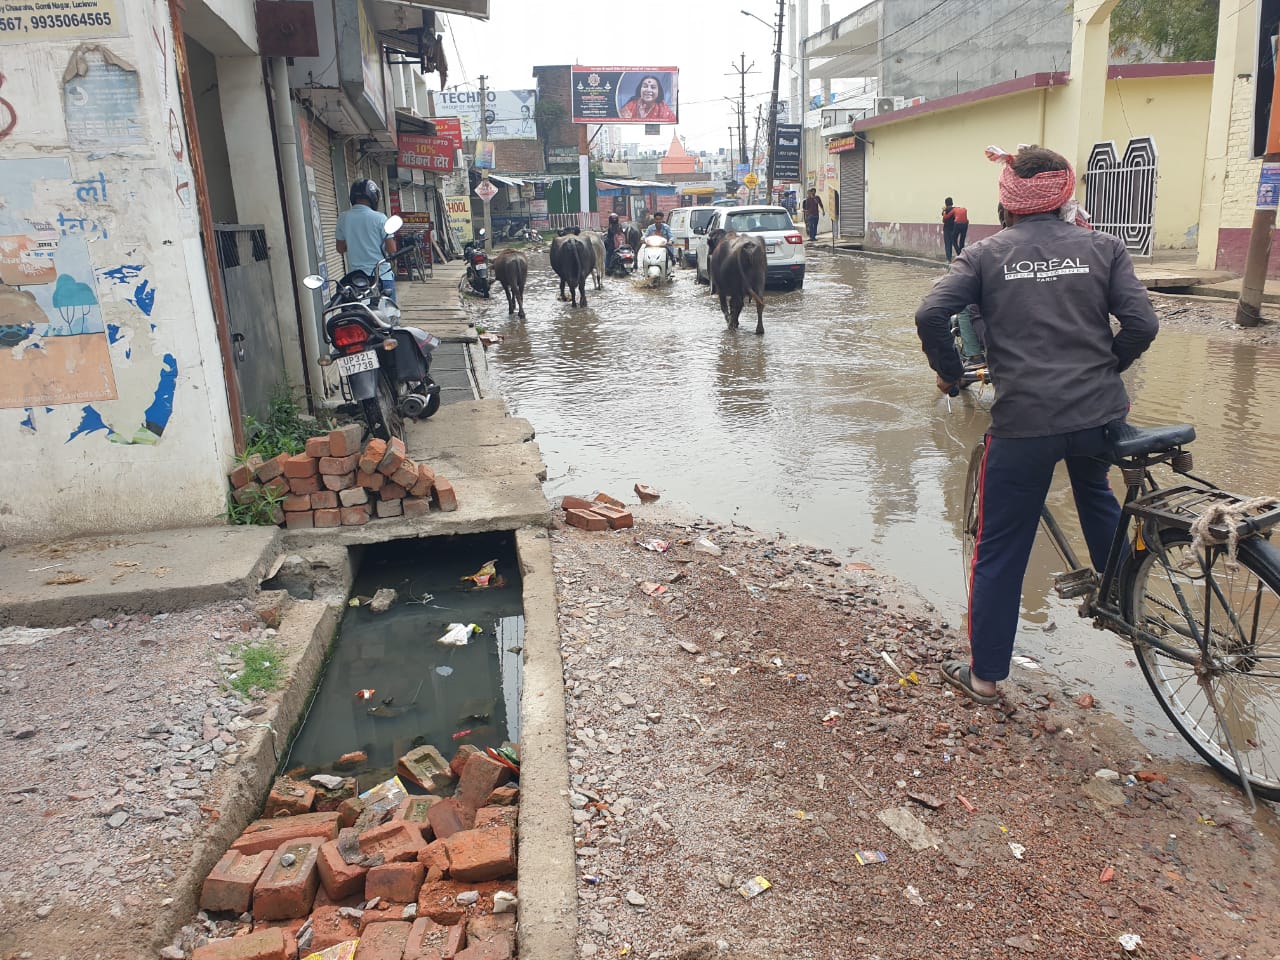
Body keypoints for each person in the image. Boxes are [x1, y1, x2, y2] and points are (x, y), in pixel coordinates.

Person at [914, 144, 1159, 704]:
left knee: (1000, 546)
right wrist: (1105, 367)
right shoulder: (1104, 247)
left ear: (1007, 202)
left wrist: (951, 375)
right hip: (1099, 414)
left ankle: (985, 677)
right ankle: (1126, 607)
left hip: (1025, 423)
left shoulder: (984, 256)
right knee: (1095, 491)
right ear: (1066, 196)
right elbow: (1143, 324)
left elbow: (930, 313)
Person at [336, 179, 397, 302]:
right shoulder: (380, 218)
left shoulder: (343, 218)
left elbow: (340, 249)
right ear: (373, 197)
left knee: (359, 313)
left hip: (357, 280)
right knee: (389, 317)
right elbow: (391, 249)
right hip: (381, 277)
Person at [941, 197, 968, 262]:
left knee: (948, 244)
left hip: (947, 229)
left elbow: (944, 219)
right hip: (954, 228)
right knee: (956, 242)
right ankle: (960, 256)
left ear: (946, 203)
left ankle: (949, 259)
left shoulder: (946, 210)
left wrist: (944, 211)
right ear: (952, 202)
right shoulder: (955, 209)